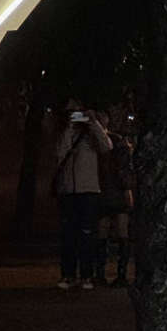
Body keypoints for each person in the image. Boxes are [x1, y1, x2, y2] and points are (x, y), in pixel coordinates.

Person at [53, 101, 112, 289]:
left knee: (87, 234)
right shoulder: (65, 133)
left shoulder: (91, 136)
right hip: (68, 190)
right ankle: (68, 275)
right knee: (68, 235)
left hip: (89, 190)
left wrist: (93, 123)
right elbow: (59, 153)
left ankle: (87, 275)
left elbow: (106, 146)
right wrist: (69, 128)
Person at [97, 114, 136, 286]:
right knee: (122, 234)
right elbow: (124, 170)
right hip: (117, 193)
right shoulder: (120, 144)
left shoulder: (97, 146)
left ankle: (100, 273)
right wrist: (127, 189)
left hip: (103, 191)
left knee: (103, 233)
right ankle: (121, 273)